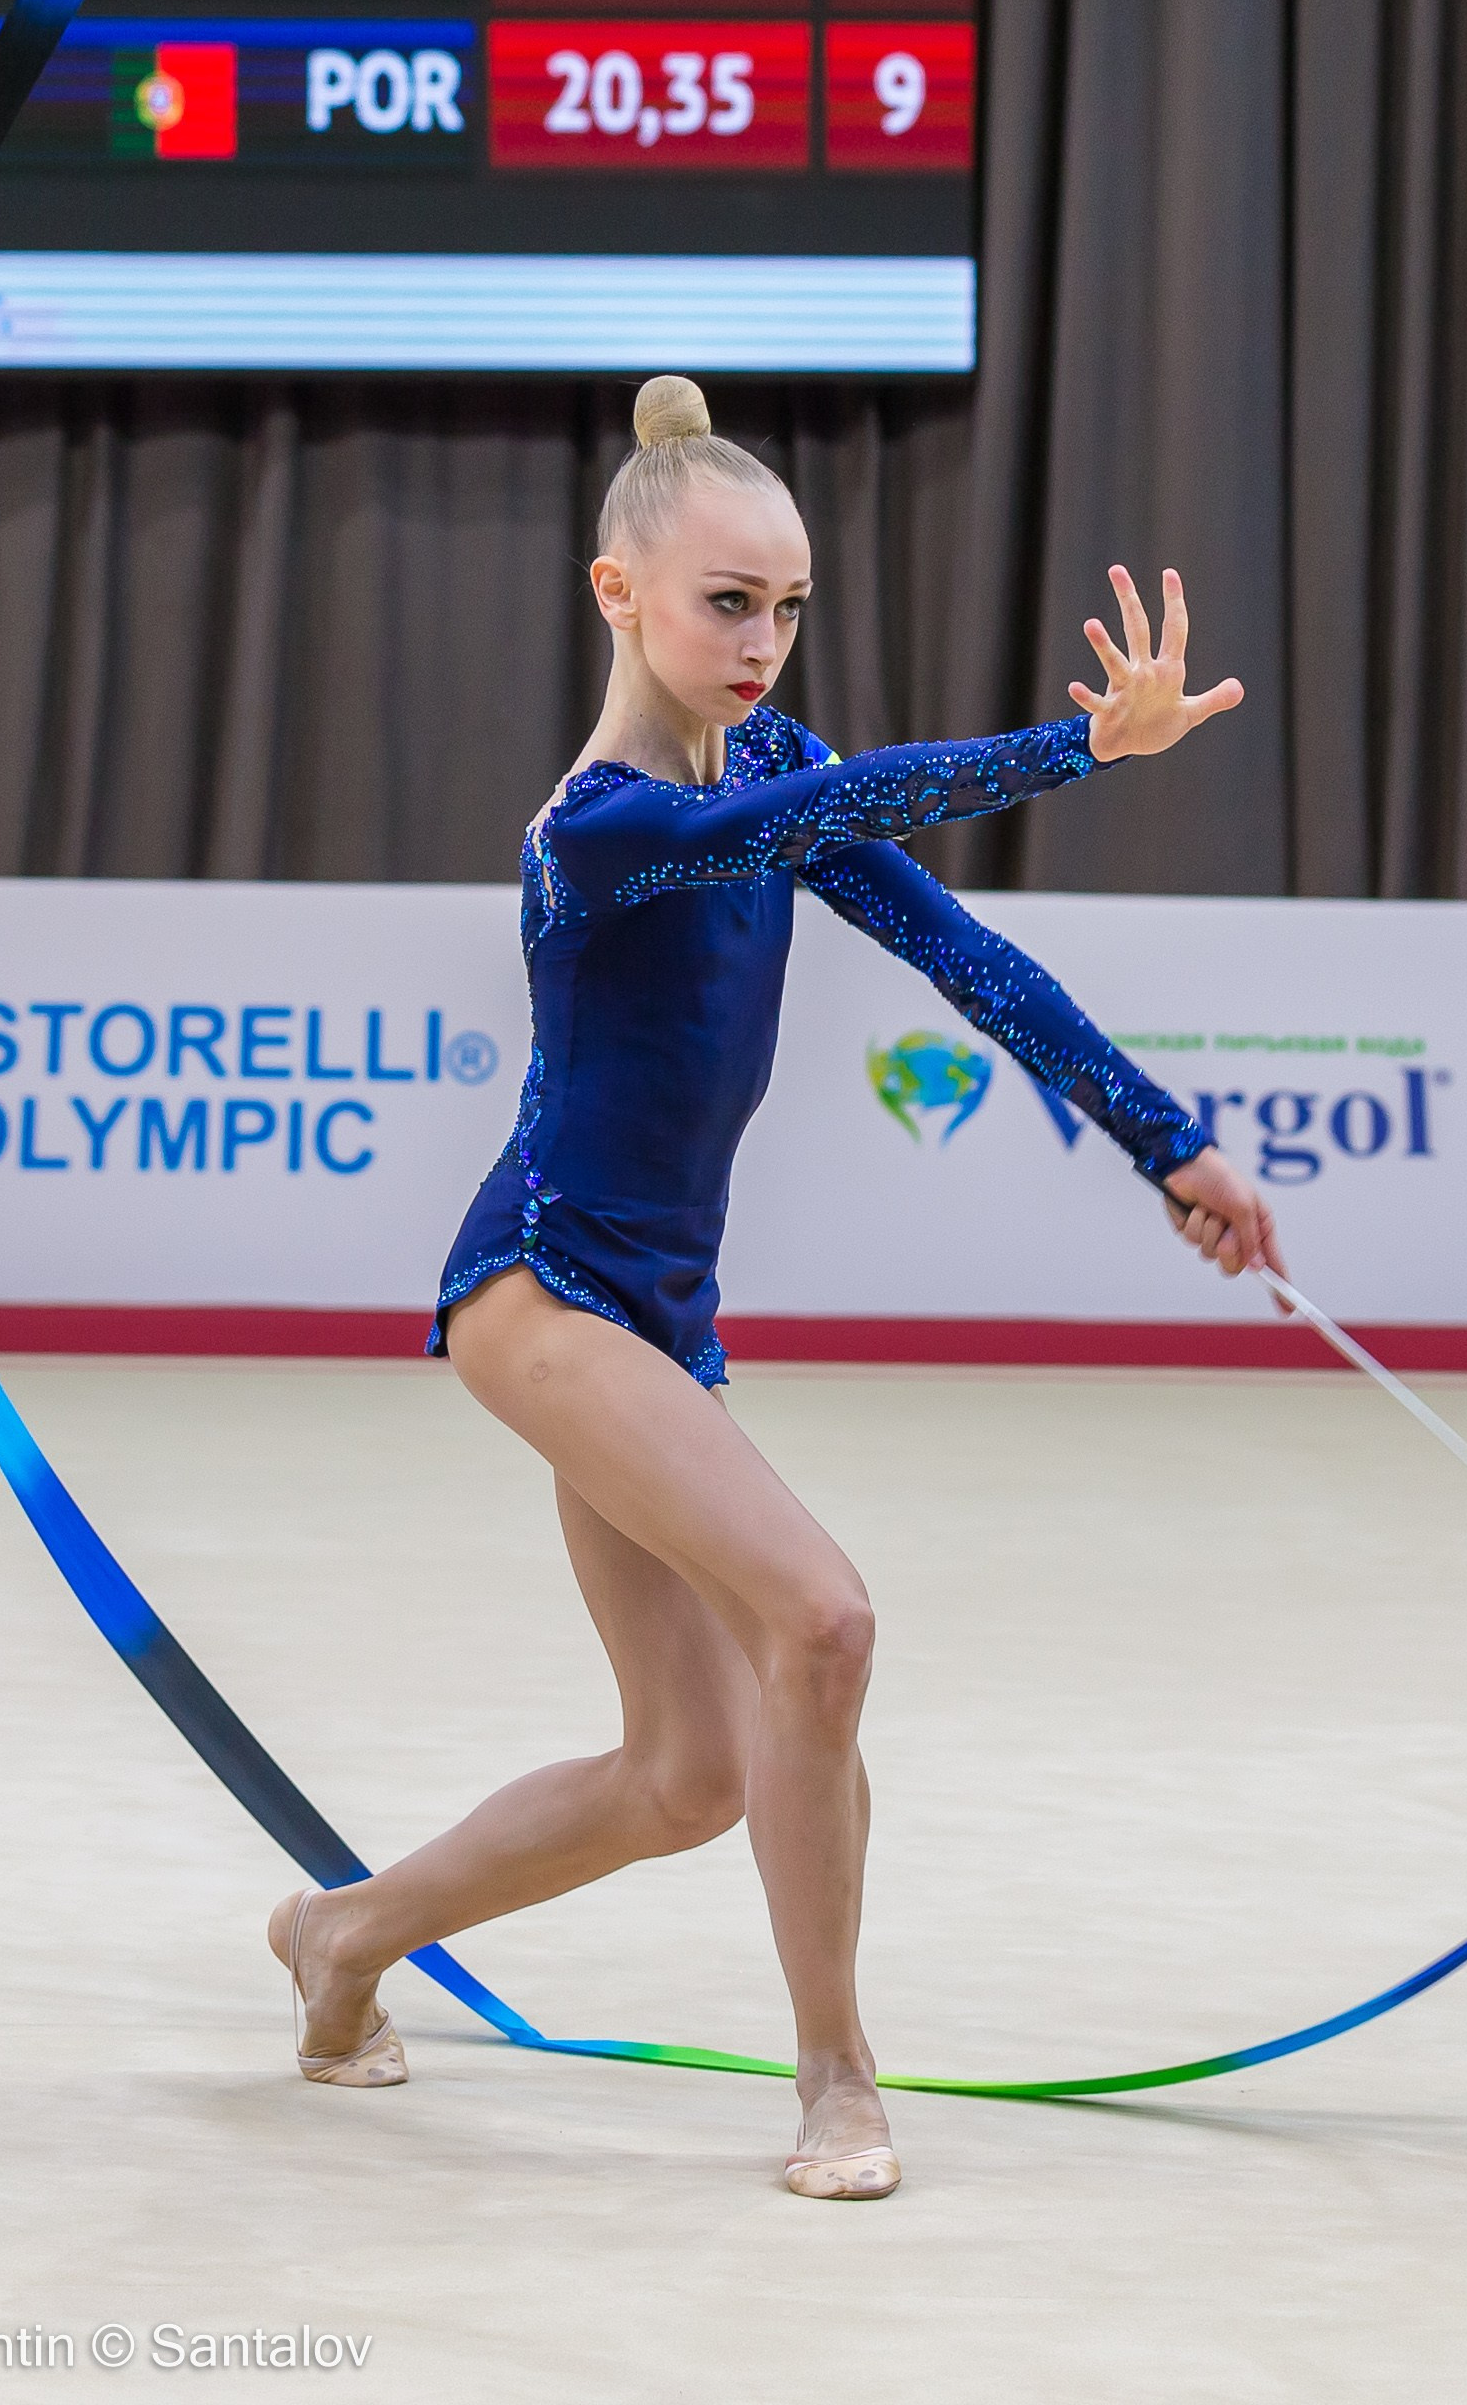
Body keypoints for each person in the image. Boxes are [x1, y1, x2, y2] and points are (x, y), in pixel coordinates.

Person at [271, 377, 1283, 2199]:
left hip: (660, 1320)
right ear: (618, 595)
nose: (762, 641)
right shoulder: (599, 829)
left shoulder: (772, 775)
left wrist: (1164, 1141)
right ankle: (838, 2077)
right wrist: (1078, 751)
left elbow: (963, 953)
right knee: (822, 1620)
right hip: (542, 1291)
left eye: (790, 605)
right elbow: (883, 797)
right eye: (727, 601)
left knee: (686, 1777)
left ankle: (344, 1936)